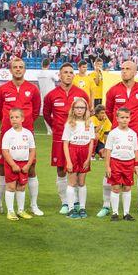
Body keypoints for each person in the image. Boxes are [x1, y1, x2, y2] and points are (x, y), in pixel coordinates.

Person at [0, 57, 42, 216]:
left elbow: (36, 110)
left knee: (31, 168)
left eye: (21, 67)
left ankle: (33, 205)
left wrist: (26, 126)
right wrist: (8, 124)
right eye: (15, 67)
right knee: (2, 168)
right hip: (7, 134)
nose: (18, 69)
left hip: (27, 135)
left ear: (24, 70)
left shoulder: (33, 89)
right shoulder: (3, 89)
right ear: (10, 70)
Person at [101, 60, 138, 217]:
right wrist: (118, 125)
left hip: (137, 134)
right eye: (122, 69)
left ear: (135, 72)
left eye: (128, 69)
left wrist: (135, 124)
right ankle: (106, 205)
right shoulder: (113, 91)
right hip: (117, 135)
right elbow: (109, 111)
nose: (124, 71)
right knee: (109, 170)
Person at [42, 63, 90, 215]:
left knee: (77, 169)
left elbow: (87, 114)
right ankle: (64, 202)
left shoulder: (82, 94)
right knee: (61, 170)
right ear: (59, 75)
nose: (68, 75)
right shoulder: (51, 95)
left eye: (70, 72)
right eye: (65, 72)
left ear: (73, 75)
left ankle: (75, 200)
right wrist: (56, 127)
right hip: (59, 138)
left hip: (78, 141)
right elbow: (46, 114)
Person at [62, 98, 96, 218]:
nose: (80, 110)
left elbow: (91, 141)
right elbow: (65, 143)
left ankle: (82, 207)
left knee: (81, 182)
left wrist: (88, 158)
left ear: (86, 109)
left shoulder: (90, 123)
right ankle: (71, 209)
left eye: (82, 108)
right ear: (73, 109)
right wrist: (69, 161)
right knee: (72, 182)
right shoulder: (69, 123)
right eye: (77, 108)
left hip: (84, 152)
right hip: (73, 151)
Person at [104, 107, 138, 221]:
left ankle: (126, 213)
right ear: (117, 118)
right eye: (122, 117)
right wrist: (107, 166)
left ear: (130, 119)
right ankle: (115, 213)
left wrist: (136, 164)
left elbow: (136, 150)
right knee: (115, 188)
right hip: (116, 163)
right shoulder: (113, 133)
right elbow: (108, 150)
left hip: (129, 164)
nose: (124, 120)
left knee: (127, 188)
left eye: (127, 117)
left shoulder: (133, 134)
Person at [1, 108, 37, 221]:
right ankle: (10, 211)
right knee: (11, 187)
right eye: (12, 117)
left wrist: (28, 165)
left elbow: (32, 150)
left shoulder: (28, 133)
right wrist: (12, 165)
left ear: (22, 119)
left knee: (21, 187)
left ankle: (20, 210)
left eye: (17, 117)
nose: (14, 119)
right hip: (12, 164)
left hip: (24, 164)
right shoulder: (8, 134)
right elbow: (5, 151)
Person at [37, 59, 57, 133]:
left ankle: (49, 130)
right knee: (54, 113)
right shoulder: (50, 73)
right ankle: (54, 129)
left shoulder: (38, 74)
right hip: (52, 95)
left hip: (43, 95)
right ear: (49, 65)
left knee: (46, 113)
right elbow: (58, 79)